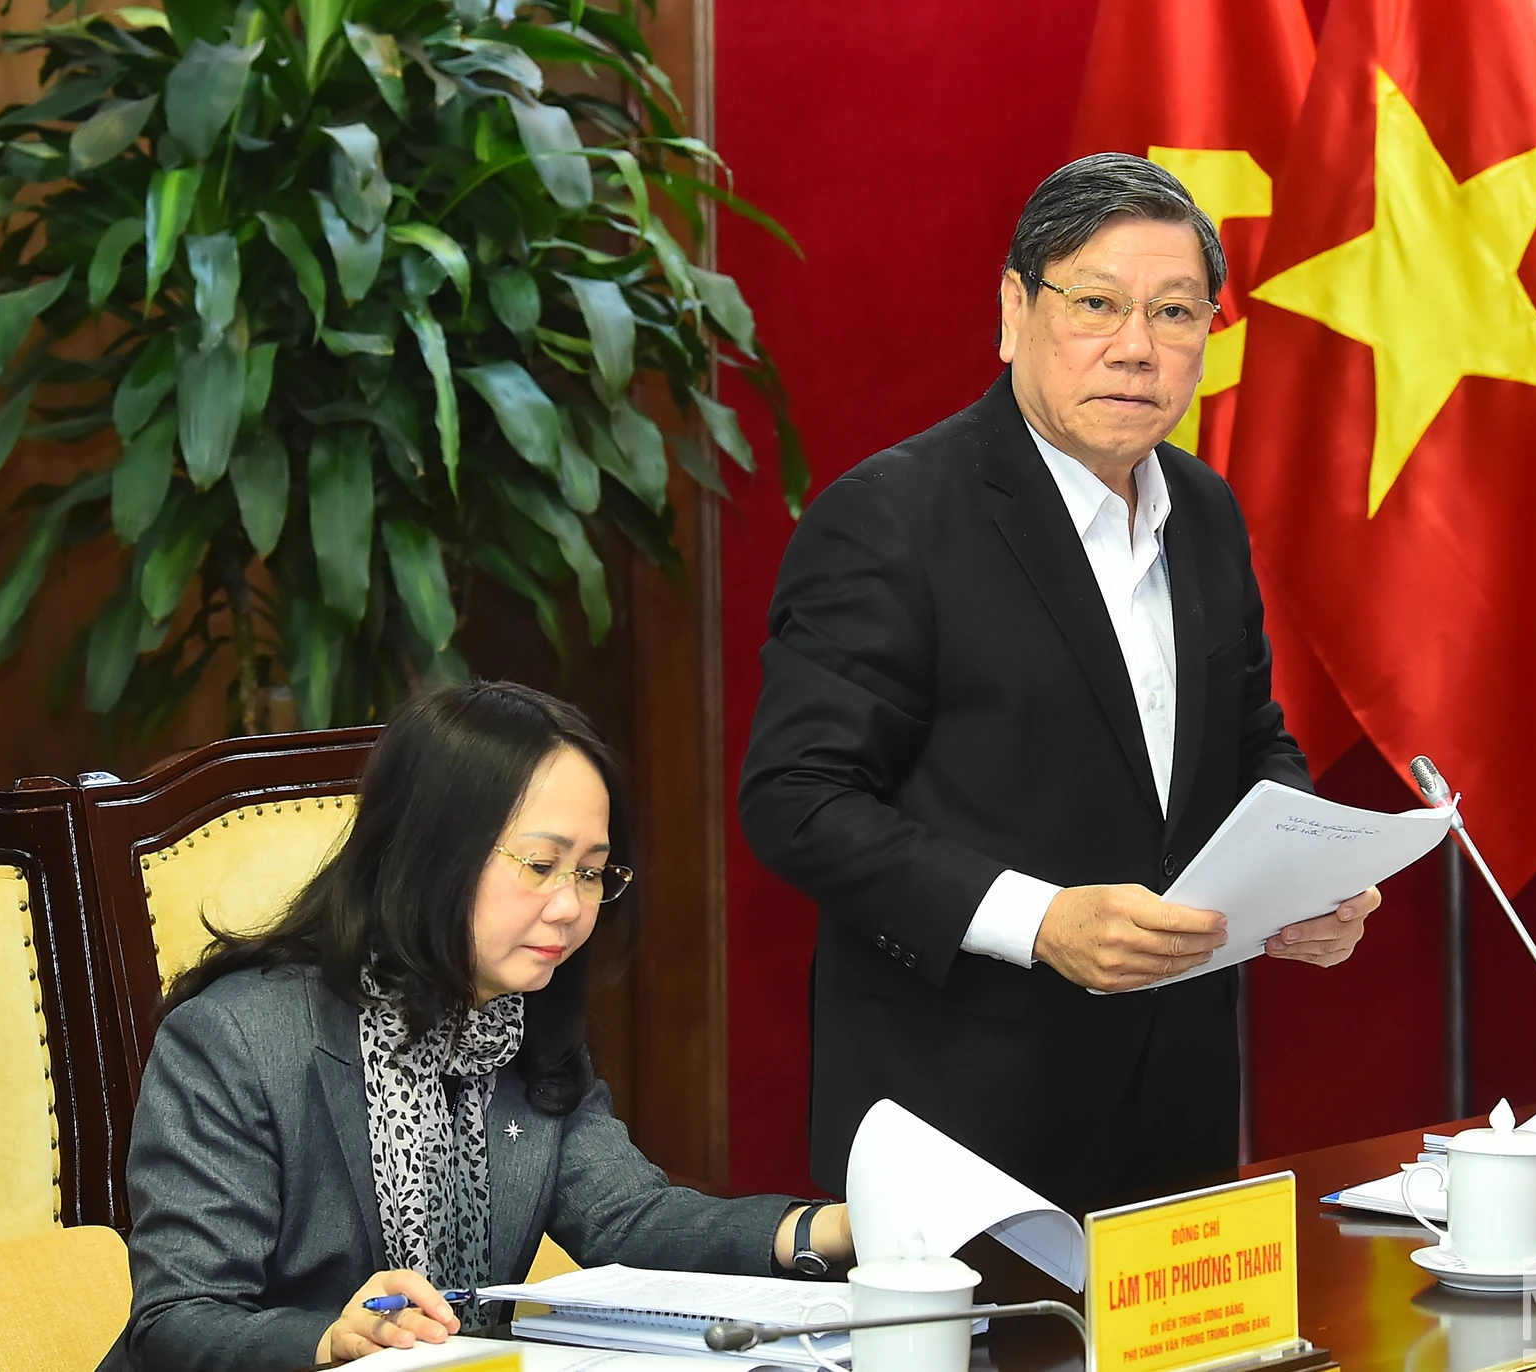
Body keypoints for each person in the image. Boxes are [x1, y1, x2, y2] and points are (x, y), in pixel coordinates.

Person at [739, 153, 1383, 1216]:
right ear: (1012, 310)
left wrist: (1304, 869)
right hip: (959, 1121)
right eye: (1097, 304)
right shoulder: (893, 519)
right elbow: (797, 801)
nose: (1137, 347)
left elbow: (1251, 737)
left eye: (1176, 312)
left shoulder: (1206, 511)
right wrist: (1041, 922)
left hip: (1176, 1113)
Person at [108, 681, 853, 1372]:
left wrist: (836, 1229)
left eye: (592, 872)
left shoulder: (518, 1029)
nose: (571, 907)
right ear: (427, 853)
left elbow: (631, 1219)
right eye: (539, 864)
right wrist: (328, 1340)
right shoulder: (235, 1040)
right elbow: (177, 1322)